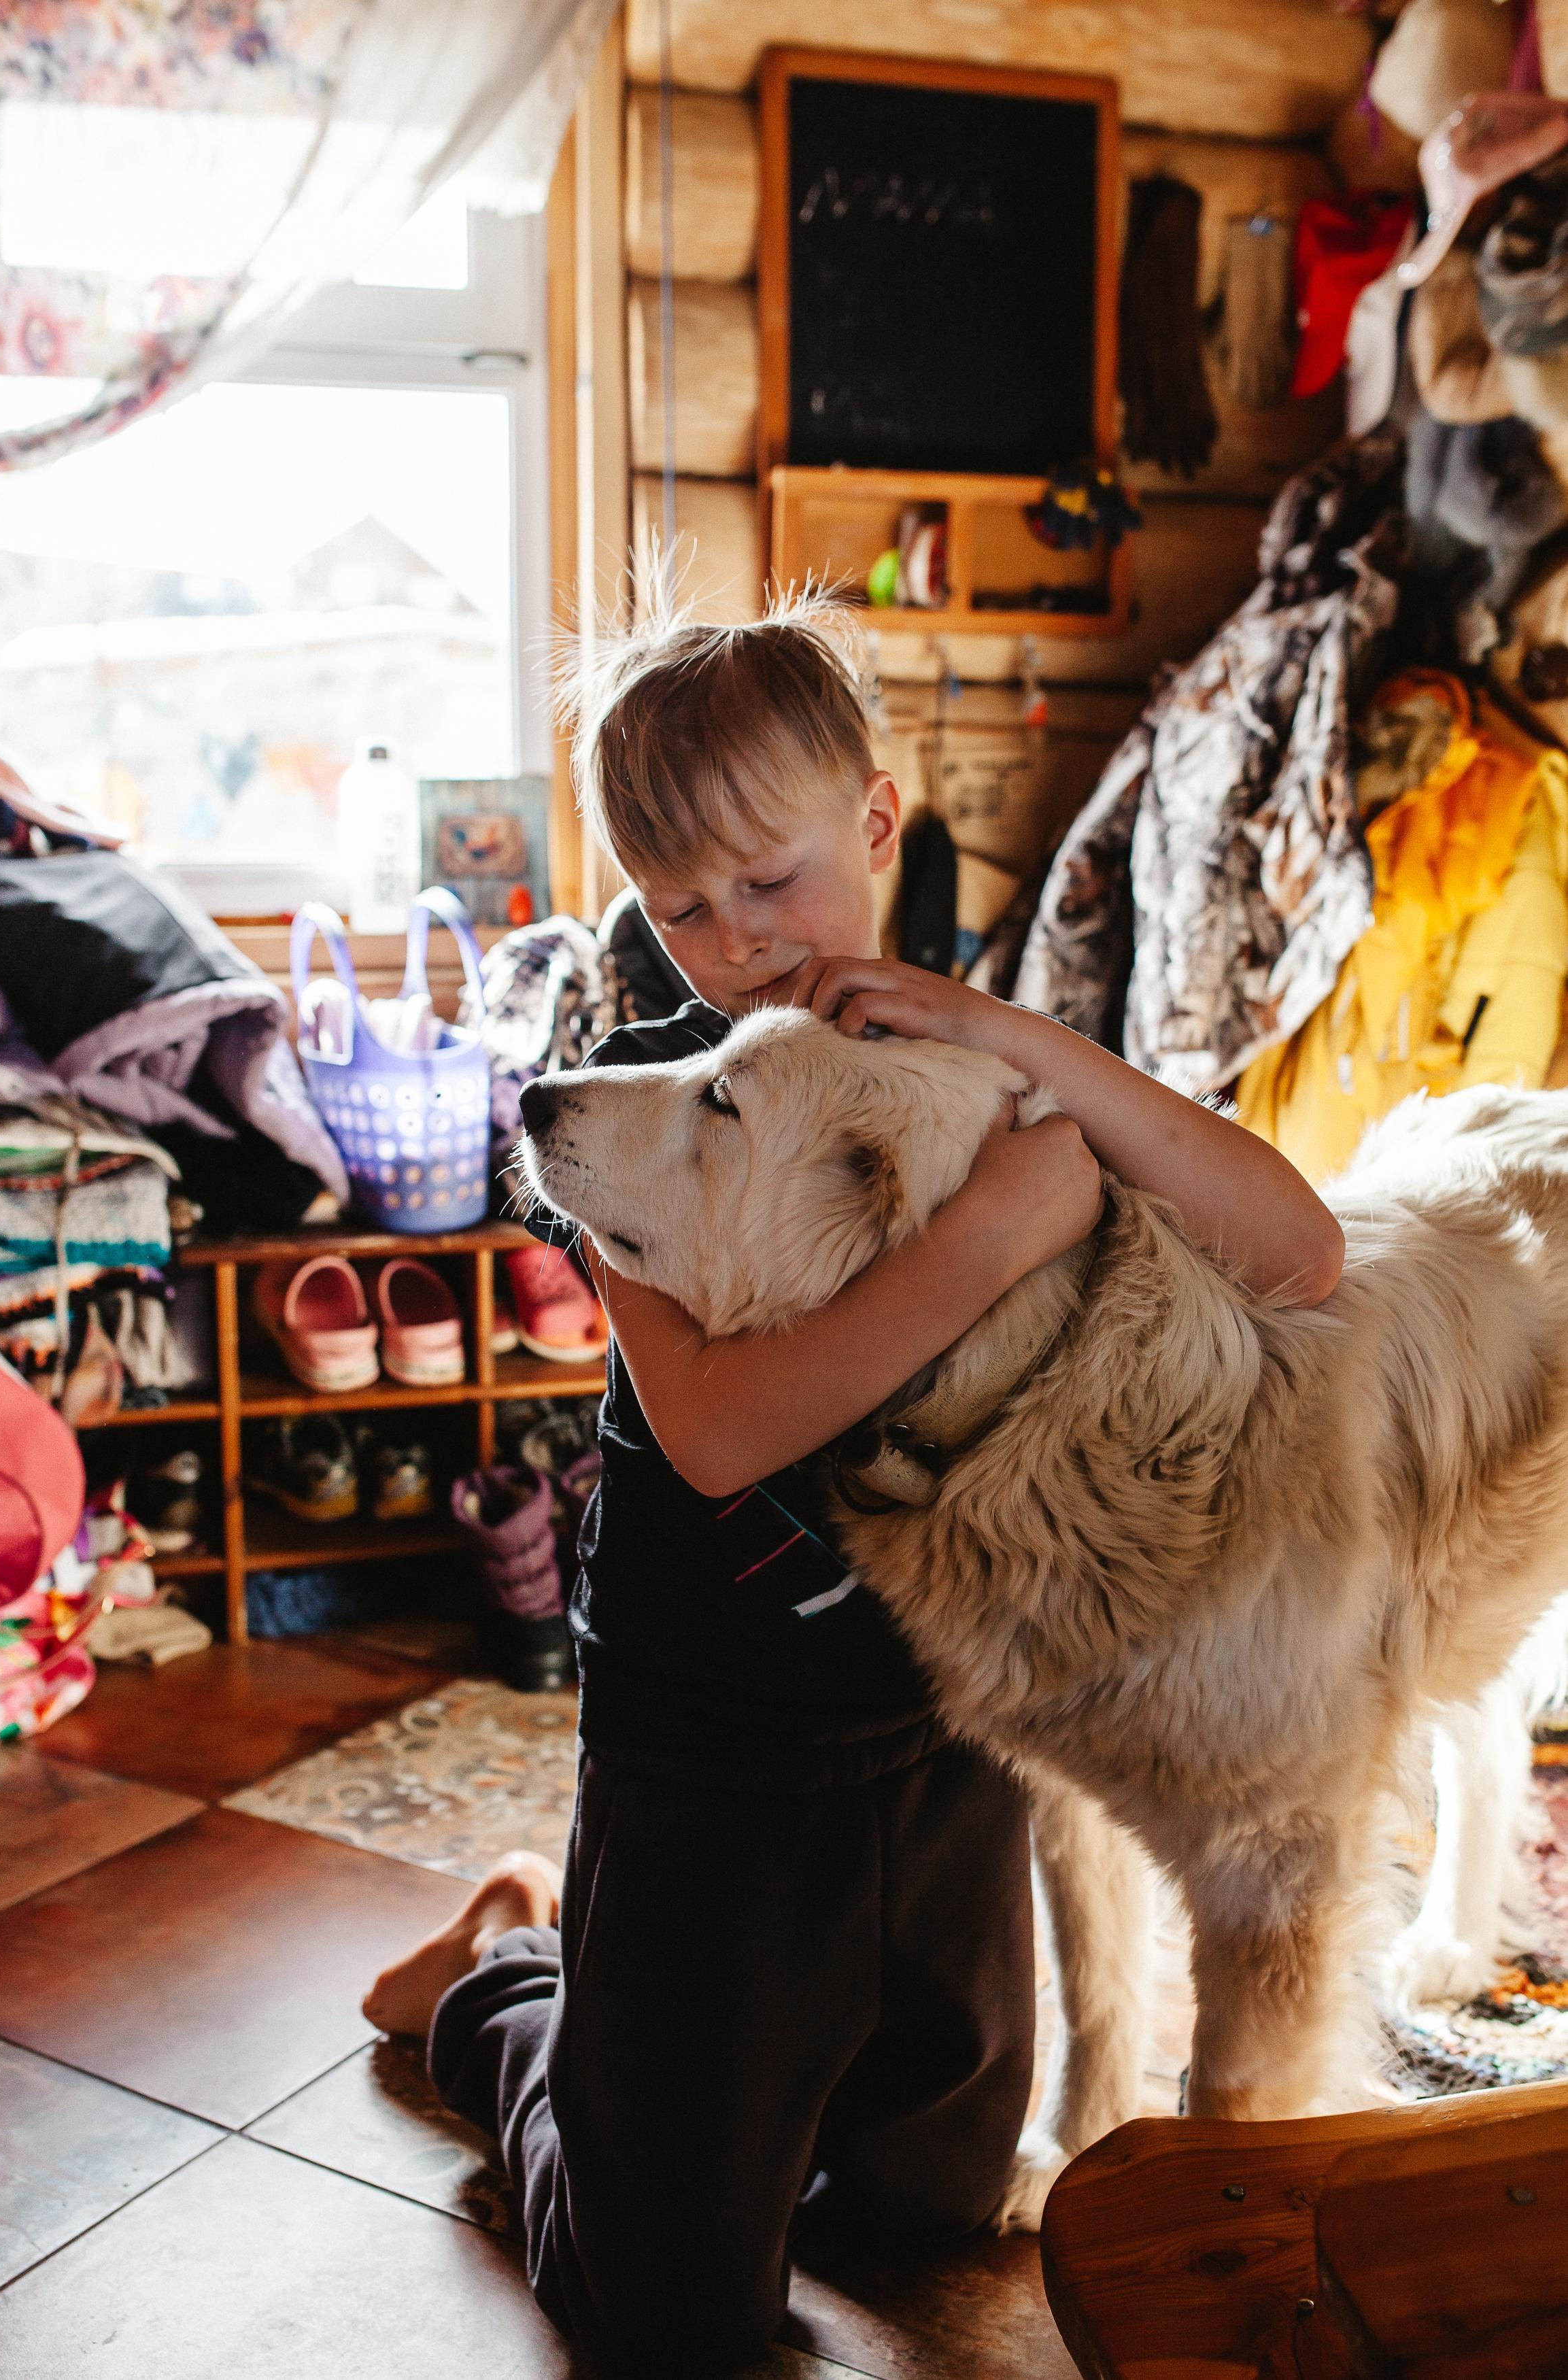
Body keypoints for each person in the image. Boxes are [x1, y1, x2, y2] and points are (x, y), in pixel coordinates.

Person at [364, 597, 1345, 2376]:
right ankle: (507, 1981)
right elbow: (724, 1435)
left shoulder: (986, 1033)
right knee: (661, 2308)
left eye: (768, 880)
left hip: (948, 1743)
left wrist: (1033, 1053)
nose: (727, 944)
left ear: (879, 828)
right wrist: (990, 1232)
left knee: (932, 2209)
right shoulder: (635, 1079)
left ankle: (681, 2060)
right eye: (676, 902)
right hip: (713, 1763)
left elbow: (1296, 1248)